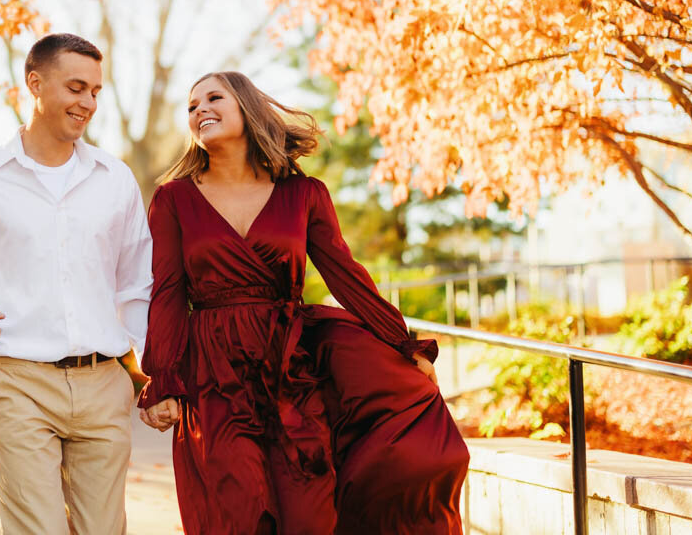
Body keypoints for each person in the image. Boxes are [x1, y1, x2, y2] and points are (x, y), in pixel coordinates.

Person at [137, 71, 469, 534]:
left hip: (290, 371)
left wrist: (402, 343)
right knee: (235, 511)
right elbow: (167, 292)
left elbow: (346, 276)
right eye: (192, 106)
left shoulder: (304, 194)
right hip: (214, 375)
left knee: (309, 511)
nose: (199, 110)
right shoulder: (173, 199)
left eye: (213, 98)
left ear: (247, 109)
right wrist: (164, 377)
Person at [0, 33, 153, 535]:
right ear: (34, 83)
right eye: (76, 87)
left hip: (104, 383)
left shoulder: (115, 179)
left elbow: (136, 286)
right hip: (17, 382)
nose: (87, 103)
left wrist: (151, 373)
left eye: (95, 92)